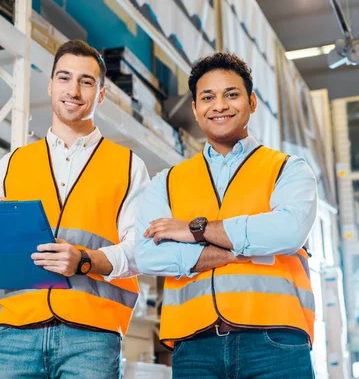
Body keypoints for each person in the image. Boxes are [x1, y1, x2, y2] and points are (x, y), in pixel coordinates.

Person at [0, 39, 149, 379]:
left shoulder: (128, 166)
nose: (73, 90)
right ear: (50, 86)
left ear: (102, 94)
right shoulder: (13, 162)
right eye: (64, 78)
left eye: (86, 81)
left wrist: (84, 260)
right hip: (16, 334)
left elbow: (141, 250)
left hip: (92, 336)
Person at [135, 52, 317, 379]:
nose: (219, 105)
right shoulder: (166, 181)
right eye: (208, 97)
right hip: (195, 345)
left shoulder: (288, 169)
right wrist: (239, 250)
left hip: (275, 340)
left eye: (231, 94)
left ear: (252, 102)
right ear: (195, 108)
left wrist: (196, 231)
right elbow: (147, 256)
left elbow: (288, 233)